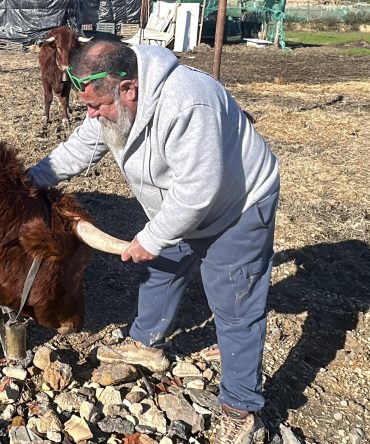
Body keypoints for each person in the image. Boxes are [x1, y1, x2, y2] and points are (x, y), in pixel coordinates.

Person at [28, 40, 279, 444]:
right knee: (160, 269)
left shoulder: (189, 104)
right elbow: (80, 146)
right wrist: (27, 180)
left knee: (235, 301)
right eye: (86, 107)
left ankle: (242, 407)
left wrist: (154, 235)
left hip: (236, 204)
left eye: (98, 106)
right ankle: (145, 344)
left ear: (129, 88)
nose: (92, 116)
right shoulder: (113, 97)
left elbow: (199, 190)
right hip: (175, 202)